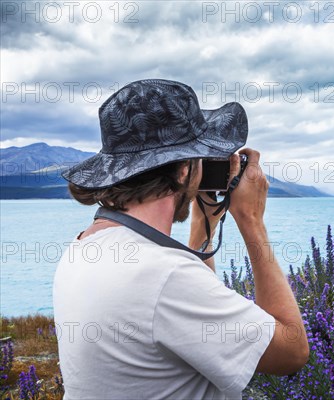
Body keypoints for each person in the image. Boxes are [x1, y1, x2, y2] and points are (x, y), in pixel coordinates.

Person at [53, 79, 309, 399]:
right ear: (184, 170)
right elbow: (292, 351)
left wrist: (203, 222)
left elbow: (189, 320)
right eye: (200, 158)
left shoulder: (81, 249)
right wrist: (252, 221)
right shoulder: (164, 276)